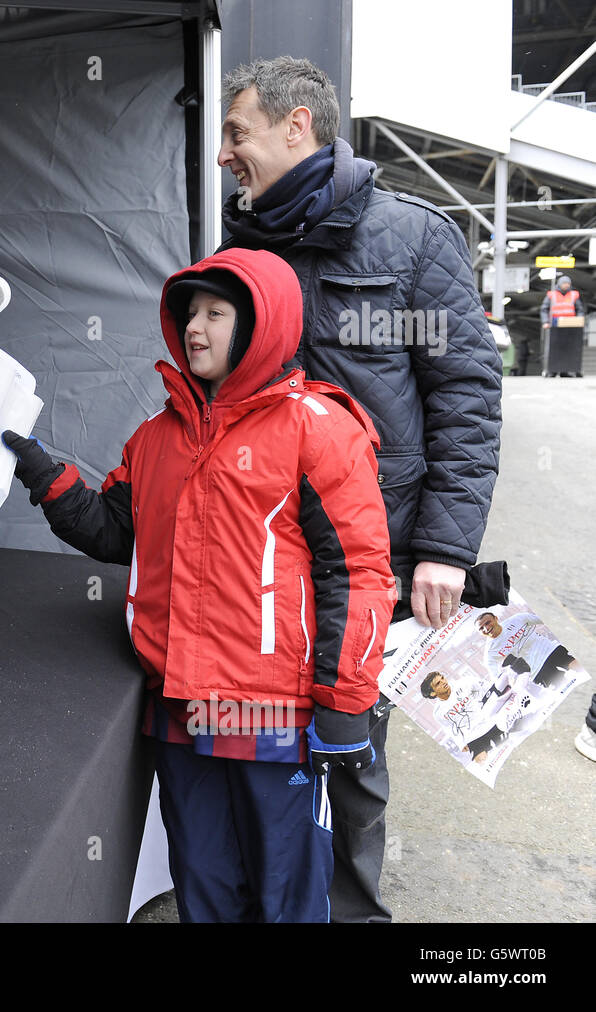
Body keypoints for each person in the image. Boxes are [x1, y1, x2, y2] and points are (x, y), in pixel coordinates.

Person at [4, 248, 394, 922]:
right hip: (181, 708)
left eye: (217, 313)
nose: (195, 328)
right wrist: (48, 478)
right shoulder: (157, 436)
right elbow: (116, 534)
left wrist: (345, 701)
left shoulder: (318, 427)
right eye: (189, 312)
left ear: (262, 325)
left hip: (276, 713)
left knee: (288, 896)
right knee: (204, 889)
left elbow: (356, 572)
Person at [216, 56, 503, 922]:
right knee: (254, 748)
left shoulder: (414, 239)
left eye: (237, 133)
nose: (225, 154)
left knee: (350, 756)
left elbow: (465, 395)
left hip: (367, 561)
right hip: (258, 560)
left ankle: (347, 913)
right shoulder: (238, 250)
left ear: (295, 126)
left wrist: (448, 549)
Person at [538, 275, 585, 377]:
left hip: (571, 326)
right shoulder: (552, 295)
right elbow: (544, 309)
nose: (566, 285)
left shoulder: (574, 295)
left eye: (568, 283)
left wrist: (579, 320)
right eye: (564, 283)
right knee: (554, 349)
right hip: (555, 326)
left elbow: (580, 309)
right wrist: (545, 322)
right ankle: (552, 370)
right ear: (559, 284)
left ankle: (567, 370)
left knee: (569, 348)